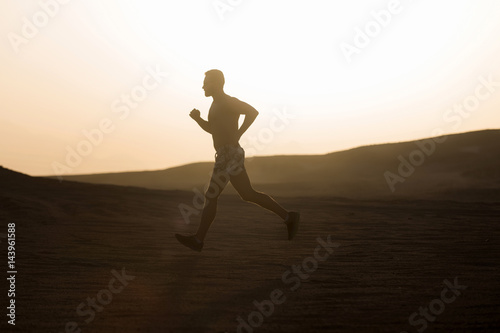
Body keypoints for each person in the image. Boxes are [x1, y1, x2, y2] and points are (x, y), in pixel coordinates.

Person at [175, 69, 300, 252]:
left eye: (207, 82)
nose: (203, 86)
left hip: (229, 154)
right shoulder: (216, 105)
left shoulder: (227, 101)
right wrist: (198, 119)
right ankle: (289, 217)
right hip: (227, 154)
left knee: (211, 195)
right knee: (247, 194)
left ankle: (198, 240)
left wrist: (239, 133)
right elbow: (213, 129)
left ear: (217, 83)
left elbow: (252, 112)